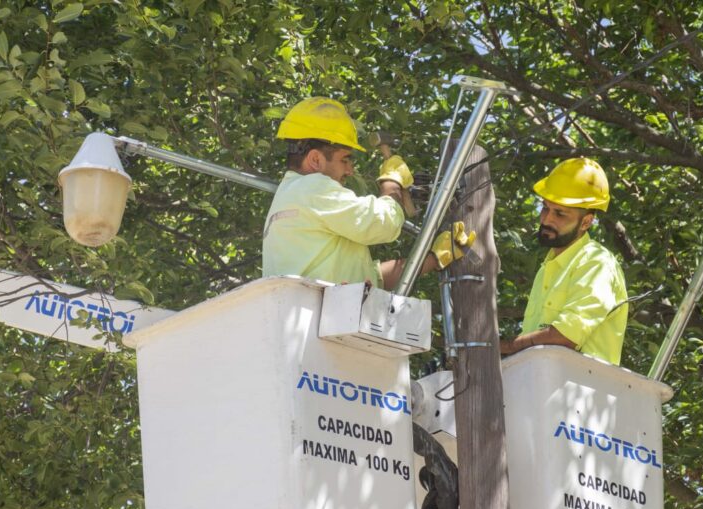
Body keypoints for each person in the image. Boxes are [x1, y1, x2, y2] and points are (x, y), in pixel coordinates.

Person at [262, 97, 472, 289]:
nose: (350, 171)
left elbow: (372, 278)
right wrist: (392, 182)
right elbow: (383, 223)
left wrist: (435, 258)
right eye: (345, 159)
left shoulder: (292, 197)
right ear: (315, 160)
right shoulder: (312, 188)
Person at [500, 158, 628, 365]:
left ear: (585, 222)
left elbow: (565, 336)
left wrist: (503, 348)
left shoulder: (596, 262)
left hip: (582, 391)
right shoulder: (548, 269)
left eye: (560, 213)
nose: (547, 219)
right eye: (545, 208)